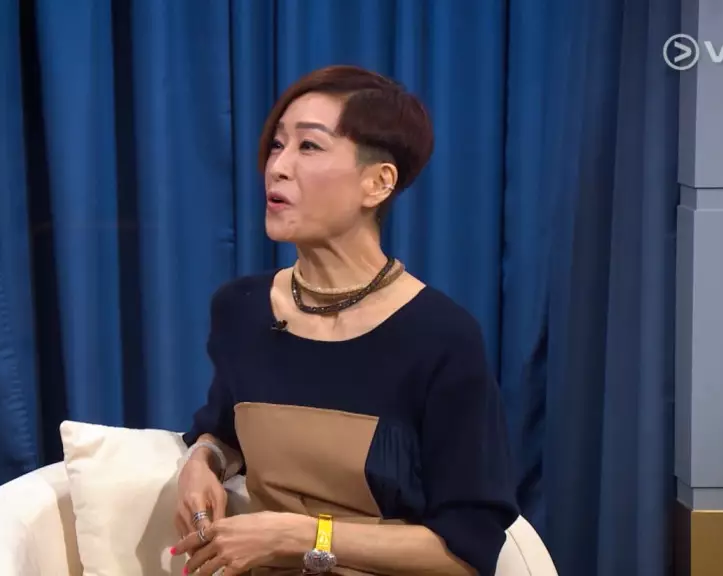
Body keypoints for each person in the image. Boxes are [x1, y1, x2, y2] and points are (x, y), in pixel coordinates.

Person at [168, 65, 518, 576]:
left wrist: (304, 537)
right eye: (277, 145)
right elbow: (222, 430)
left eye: (309, 146)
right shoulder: (241, 309)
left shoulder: (441, 337)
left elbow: (466, 551)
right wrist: (200, 463)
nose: (277, 167)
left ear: (378, 183)